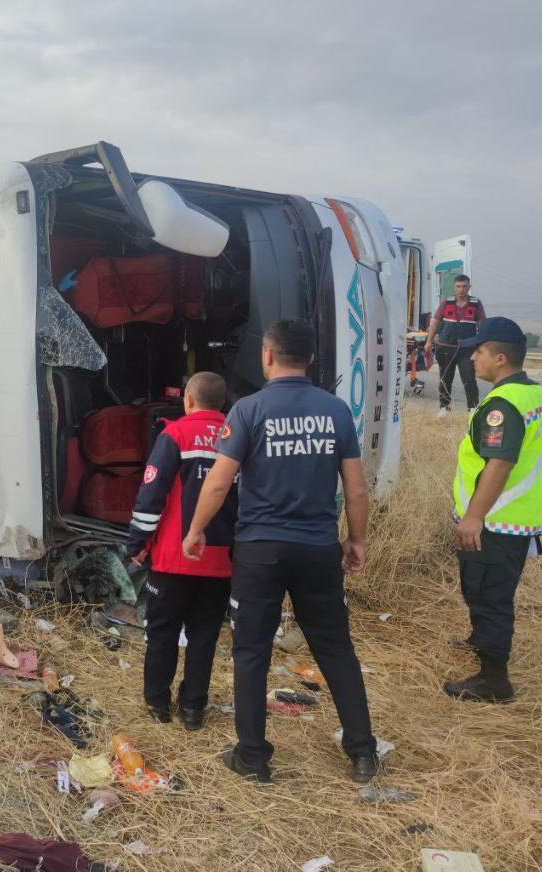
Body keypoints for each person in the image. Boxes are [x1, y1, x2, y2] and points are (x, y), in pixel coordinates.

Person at [184, 318, 377, 785]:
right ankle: (363, 753)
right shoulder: (335, 412)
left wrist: (195, 530)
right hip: (316, 548)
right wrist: (356, 540)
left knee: (251, 652)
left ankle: (253, 756)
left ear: (266, 356)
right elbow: (356, 490)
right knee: (336, 650)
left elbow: (219, 480)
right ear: (310, 358)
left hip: (260, 551)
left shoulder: (248, 410)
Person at [443, 317, 542, 704]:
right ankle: (481, 641)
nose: (473, 357)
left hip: (495, 521)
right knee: (492, 590)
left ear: (501, 357)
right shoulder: (537, 396)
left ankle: (494, 680)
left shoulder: (502, 405)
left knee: (488, 595)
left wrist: (473, 516)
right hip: (518, 518)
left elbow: (500, 463)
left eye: (480, 350)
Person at [125, 372, 236, 731]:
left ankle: (158, 704)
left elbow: (151, 496)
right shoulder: (237, 437)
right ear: (222, 404)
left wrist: (138, 544)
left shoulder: (174, 435)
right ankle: (193, 709)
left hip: (173, 560)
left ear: (188, 400)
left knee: (162, 633)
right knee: (203, 637)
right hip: (220, 562)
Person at [424, 274, 485, 417]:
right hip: (445, 347)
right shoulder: (446, 302)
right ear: (454, 287)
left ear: (469, 287)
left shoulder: (476, 303)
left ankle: (472, 409)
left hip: (467, 349)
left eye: (464, 286)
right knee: (445, 378)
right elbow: (435, 322)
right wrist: (428, 341)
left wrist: (482, 346)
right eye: (458, 286)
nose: (461, 289)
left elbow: (482, 325)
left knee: (469, 378)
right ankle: (444, 407)